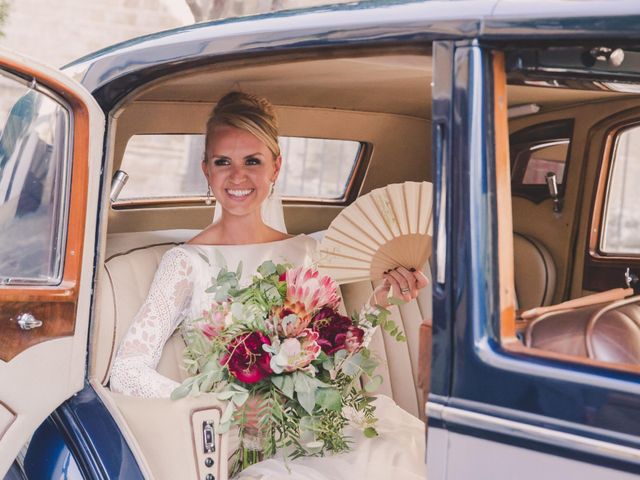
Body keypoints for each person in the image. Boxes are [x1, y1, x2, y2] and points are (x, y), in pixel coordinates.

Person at [110, 91, 429, 479]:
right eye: (223, 162)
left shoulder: (308, 253)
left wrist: (379, 304)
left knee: (395, 457)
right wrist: (224, 405)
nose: (237, 176)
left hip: (320, 431)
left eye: (253, 161)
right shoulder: (187, 263)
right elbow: (128, 371)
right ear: (206, 170)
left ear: (275, 168)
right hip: (242, 448)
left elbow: (339, 370)